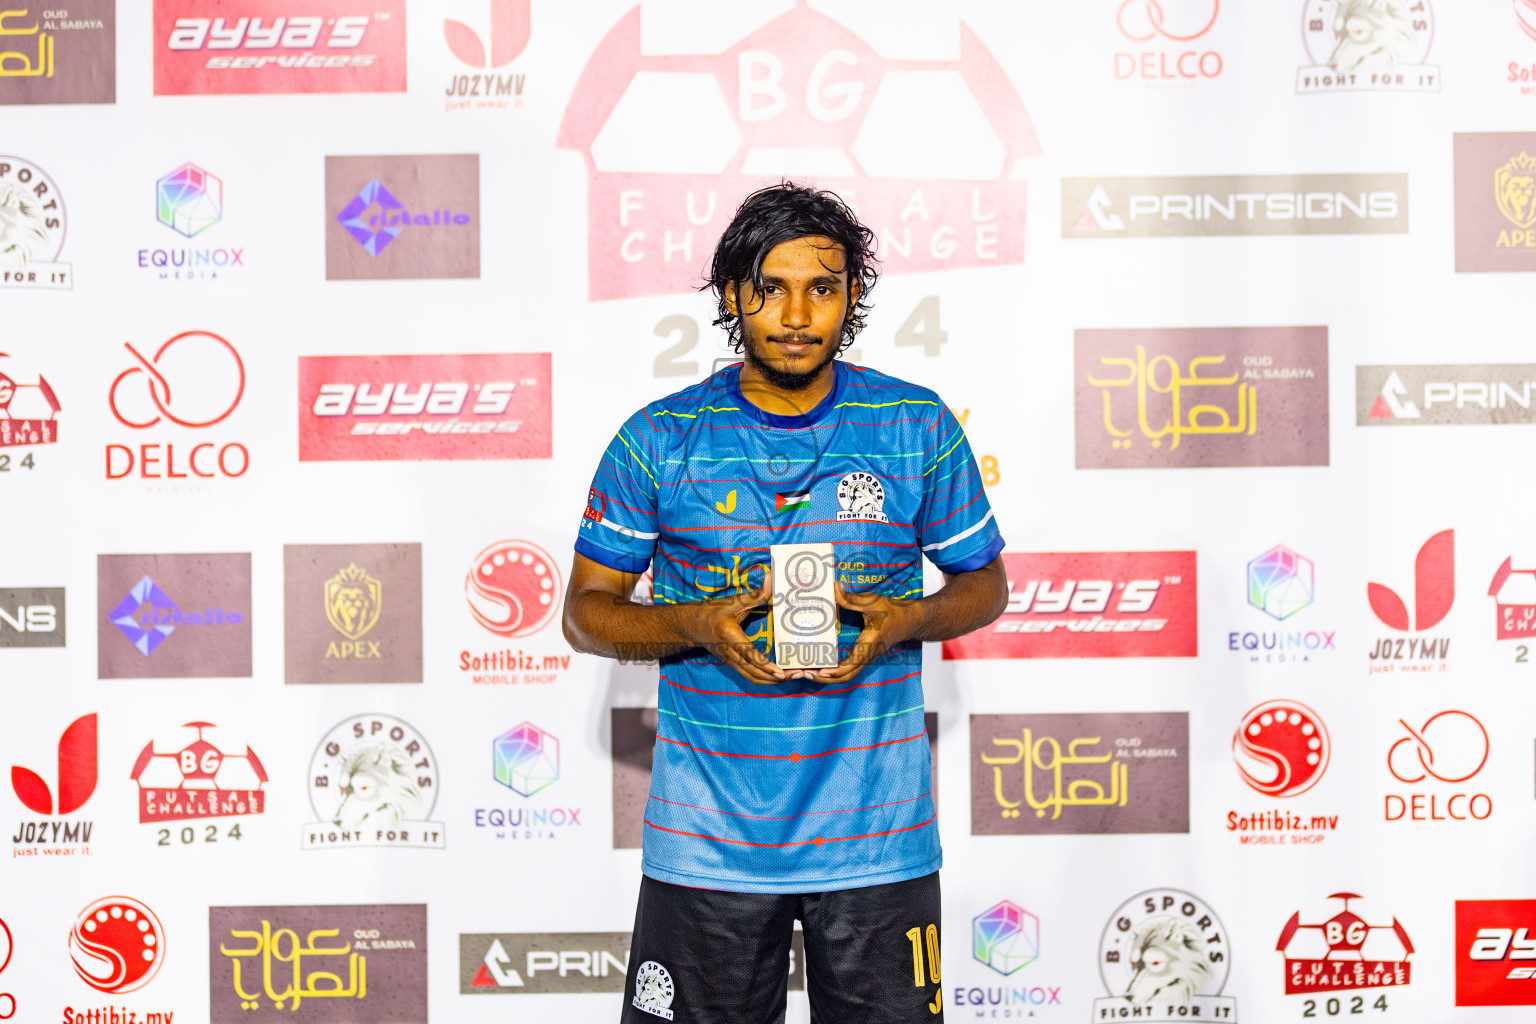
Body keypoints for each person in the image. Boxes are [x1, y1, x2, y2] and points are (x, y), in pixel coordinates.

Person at [563, 182, 1008, 1024]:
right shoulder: (659, 438)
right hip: (708, 846)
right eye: (771, 287)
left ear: (852, 299)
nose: (797, 314)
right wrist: (693, 624)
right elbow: (586, 612)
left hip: (878, 842)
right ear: (733, 295)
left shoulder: (913, 423)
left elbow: (985, 585)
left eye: (824, 288)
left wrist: (906, 621)